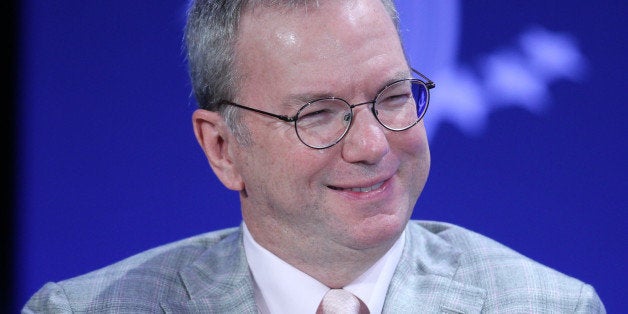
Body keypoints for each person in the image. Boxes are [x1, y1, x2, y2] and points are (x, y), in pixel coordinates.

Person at [23, 0, 605, 313]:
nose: (373, 144)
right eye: (317, 115)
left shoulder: (552, 307)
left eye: (394, 96)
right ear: (222, 147)